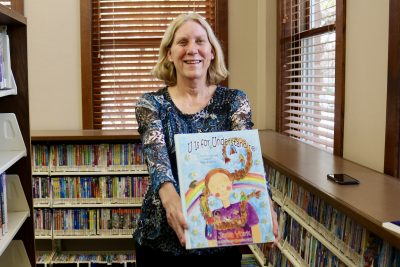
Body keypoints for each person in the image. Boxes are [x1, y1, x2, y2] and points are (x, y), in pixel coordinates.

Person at [134, 12, 279, 267]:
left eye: (200, 41)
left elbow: (247, 157)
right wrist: (171, 201)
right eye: (182, 42)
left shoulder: (234, 101)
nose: (192, 50)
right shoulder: (151, 104)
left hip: (220, 242)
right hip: (160, 241)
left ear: (212, 52)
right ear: (169, 53)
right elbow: (157, 161)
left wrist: (264, 203)